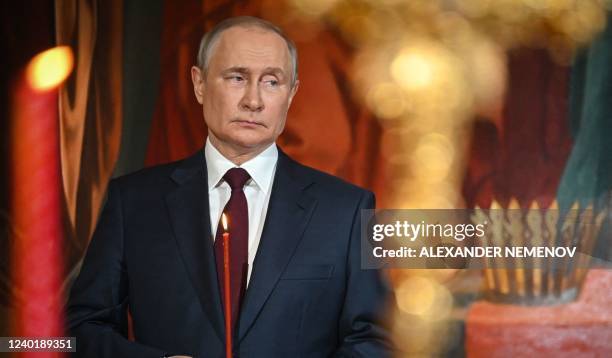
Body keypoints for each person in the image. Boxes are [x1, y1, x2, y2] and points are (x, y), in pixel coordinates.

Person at [67, 16, 392, 357]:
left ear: (292, 93)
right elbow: (81, 328)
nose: (254, 101)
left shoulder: (349, 209)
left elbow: (374, 340)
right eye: (237, 77)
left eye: (272, 82)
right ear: (200, 83)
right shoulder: (132, 201)